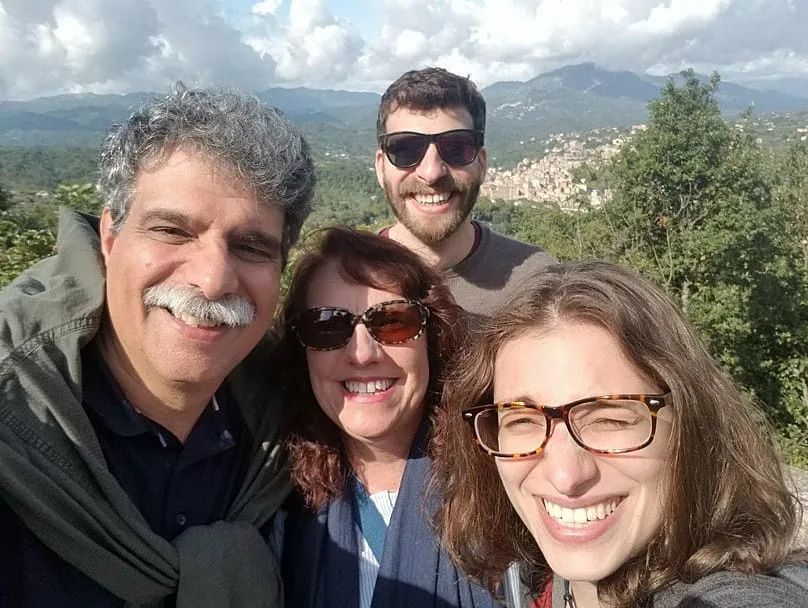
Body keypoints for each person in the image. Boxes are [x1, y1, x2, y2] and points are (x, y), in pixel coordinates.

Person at [0, 85, 315, 608]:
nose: (213, 279)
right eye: (172, 230)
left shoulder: (295, 421)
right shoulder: (16, 425)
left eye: (251, 246)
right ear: (109, 236)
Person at [432, 261, 808, 608]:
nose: (566, 476)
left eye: (610, 420)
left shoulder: (734, 596)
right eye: (522, 420)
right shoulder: (541, 578)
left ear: (690, 426)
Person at [270, 227, 499, 608]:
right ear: (302, 351)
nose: (362, 354)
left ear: (432, 336)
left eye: (393, 322)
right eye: (328, 325)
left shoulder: (498, 487)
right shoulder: (275, 508)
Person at [375, 67, 555, 319]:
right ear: (380, 167)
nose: (431, 172)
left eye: (456, 147)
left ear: (481, 164)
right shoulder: (340, 284)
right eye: (405, 149)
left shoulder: (537, 282)